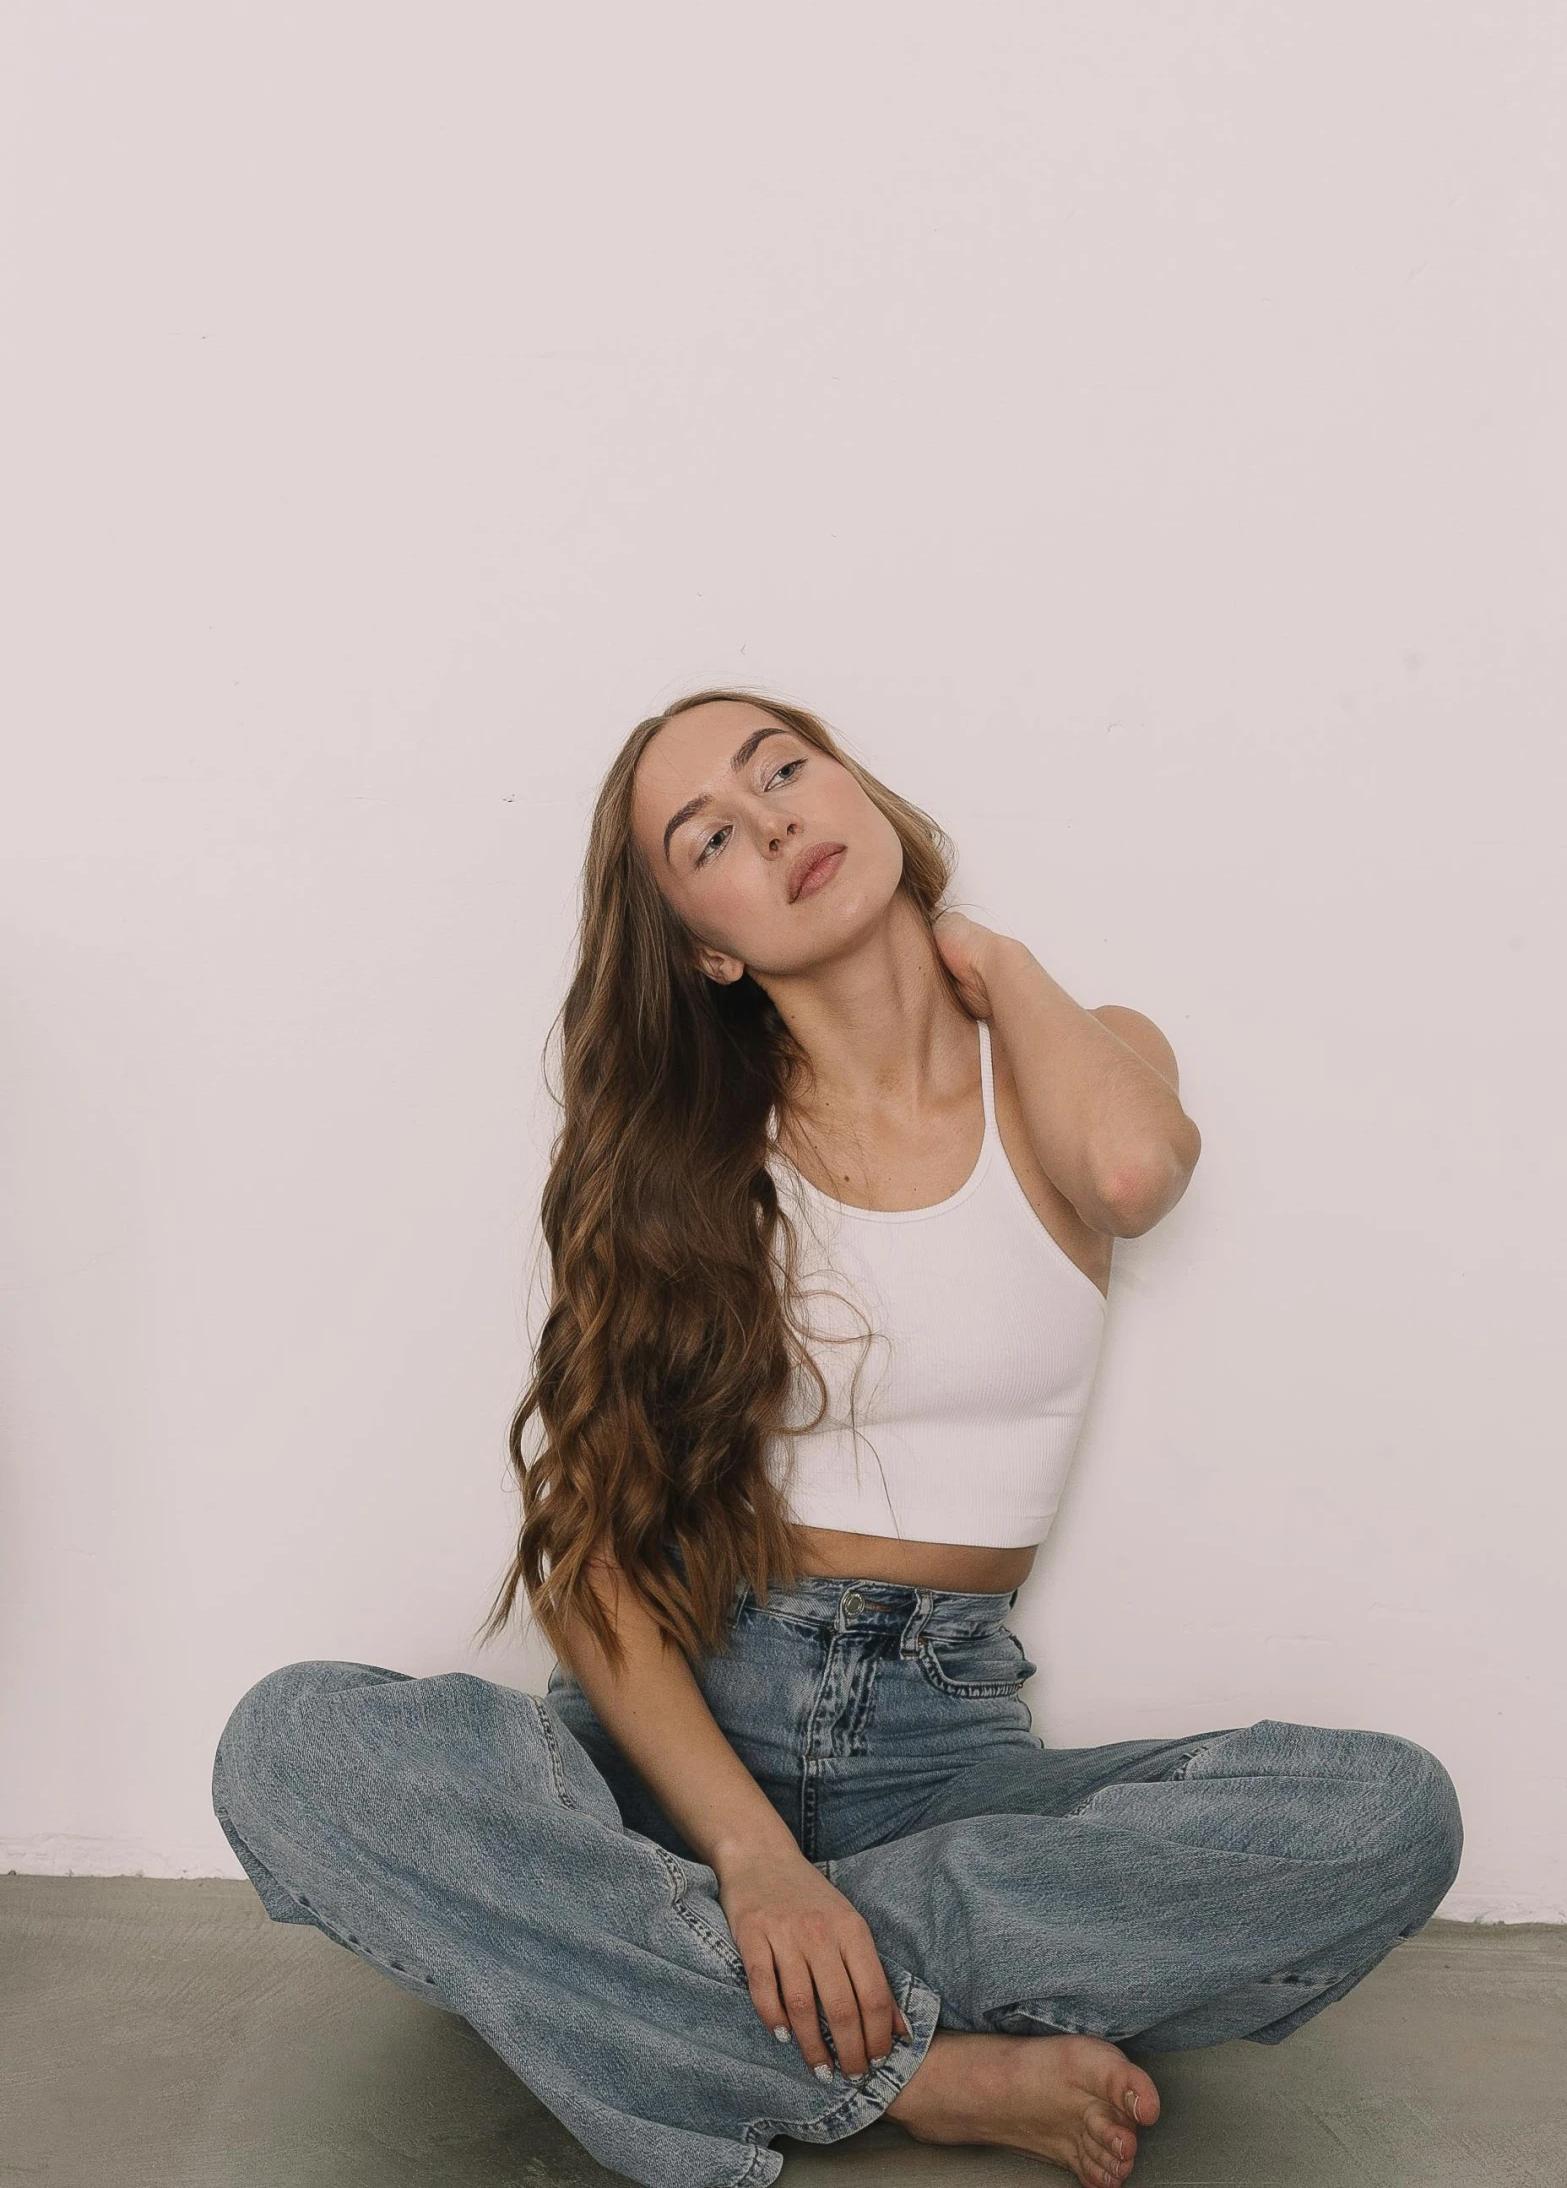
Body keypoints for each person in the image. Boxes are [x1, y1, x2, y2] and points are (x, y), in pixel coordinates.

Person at [212, 688, 1462, 2188]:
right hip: (676, 1741)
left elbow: (1131, 1173)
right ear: (706, 945)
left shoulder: (1073, 1050)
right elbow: (593, 1557)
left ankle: (637, 1969)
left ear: (855, 783)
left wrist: (985, 955)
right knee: (289, 1744)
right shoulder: (678, 1157)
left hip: (936, 1764)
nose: (777, 820)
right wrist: (745, 1858)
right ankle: (912, 2067)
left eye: (783, 770)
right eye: (712, 836)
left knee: (1382, 1812)